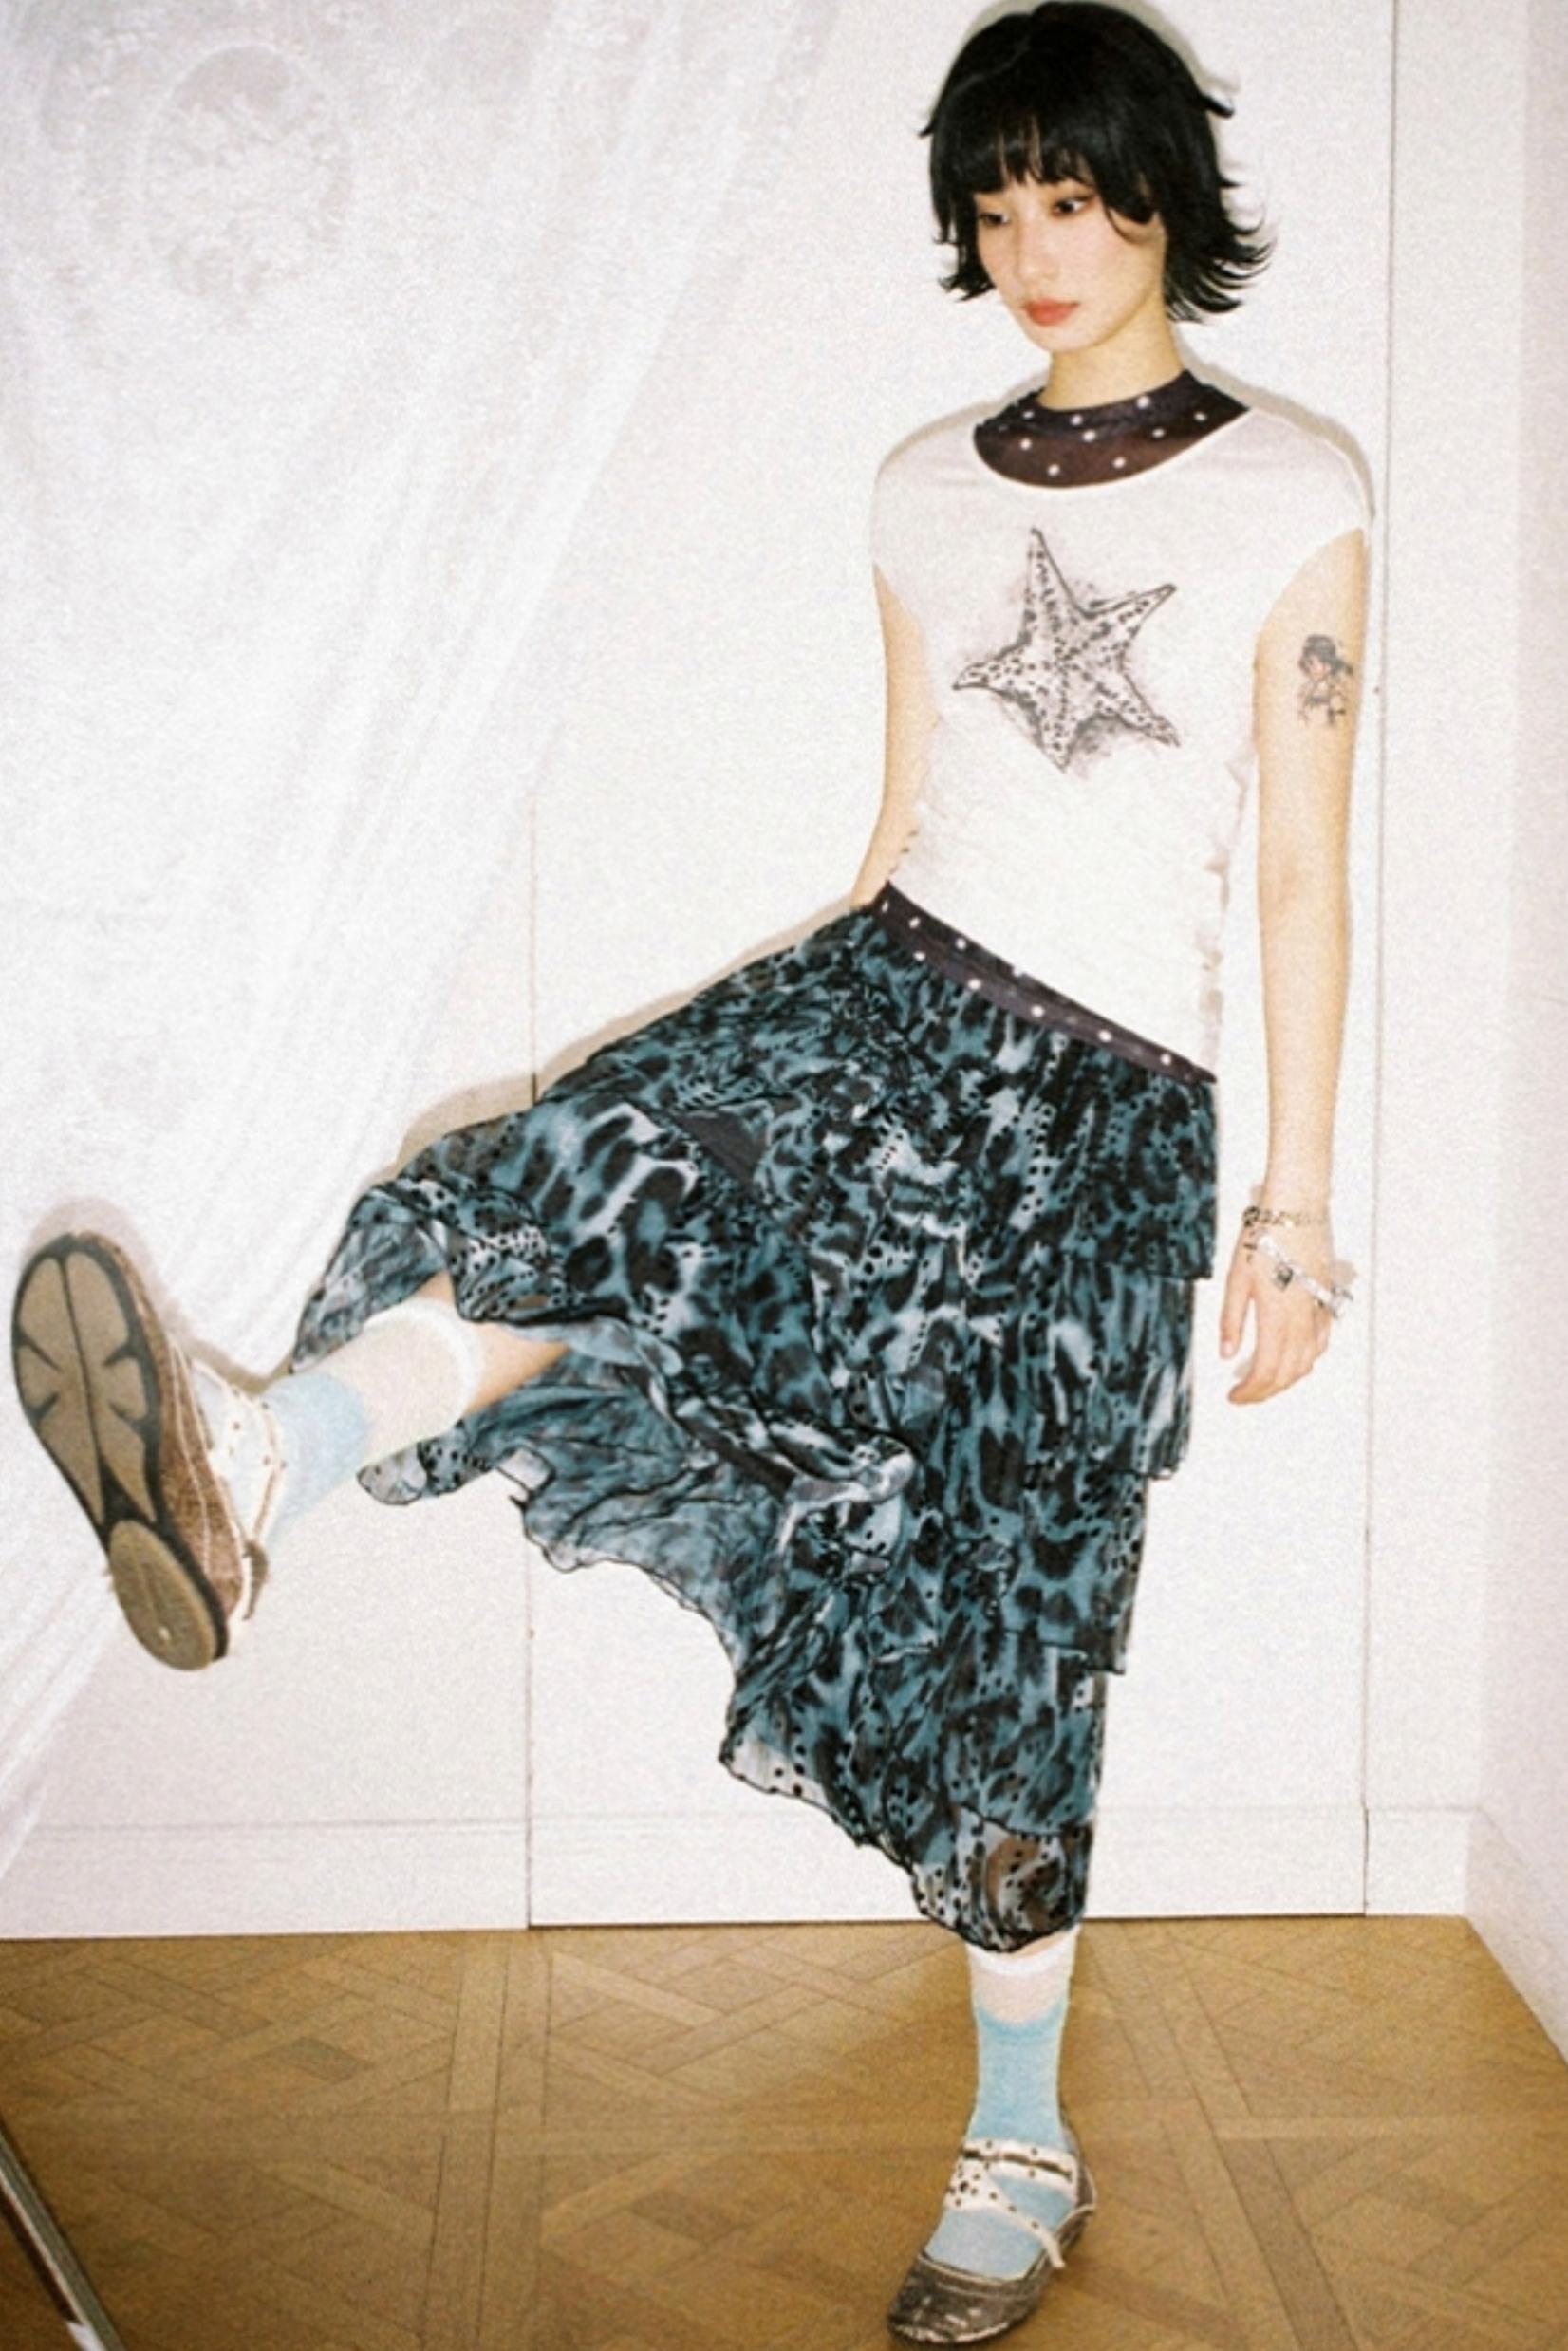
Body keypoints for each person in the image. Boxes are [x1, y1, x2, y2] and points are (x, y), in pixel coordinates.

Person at [10, 4, 1367, 2340]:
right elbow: (901, 820)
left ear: (1159, 197)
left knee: (1015, 1609)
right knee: (602, 1171)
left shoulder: (1295, 488)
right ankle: (259, 1459)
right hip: (897, 987)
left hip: (1102, 1114)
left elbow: (1307, 876)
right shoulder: (919, 485)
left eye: (1069, 197)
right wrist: (753, 1045)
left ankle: (1018, 2140)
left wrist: (1297, 1210)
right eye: (995, 207)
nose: (1031, 252)